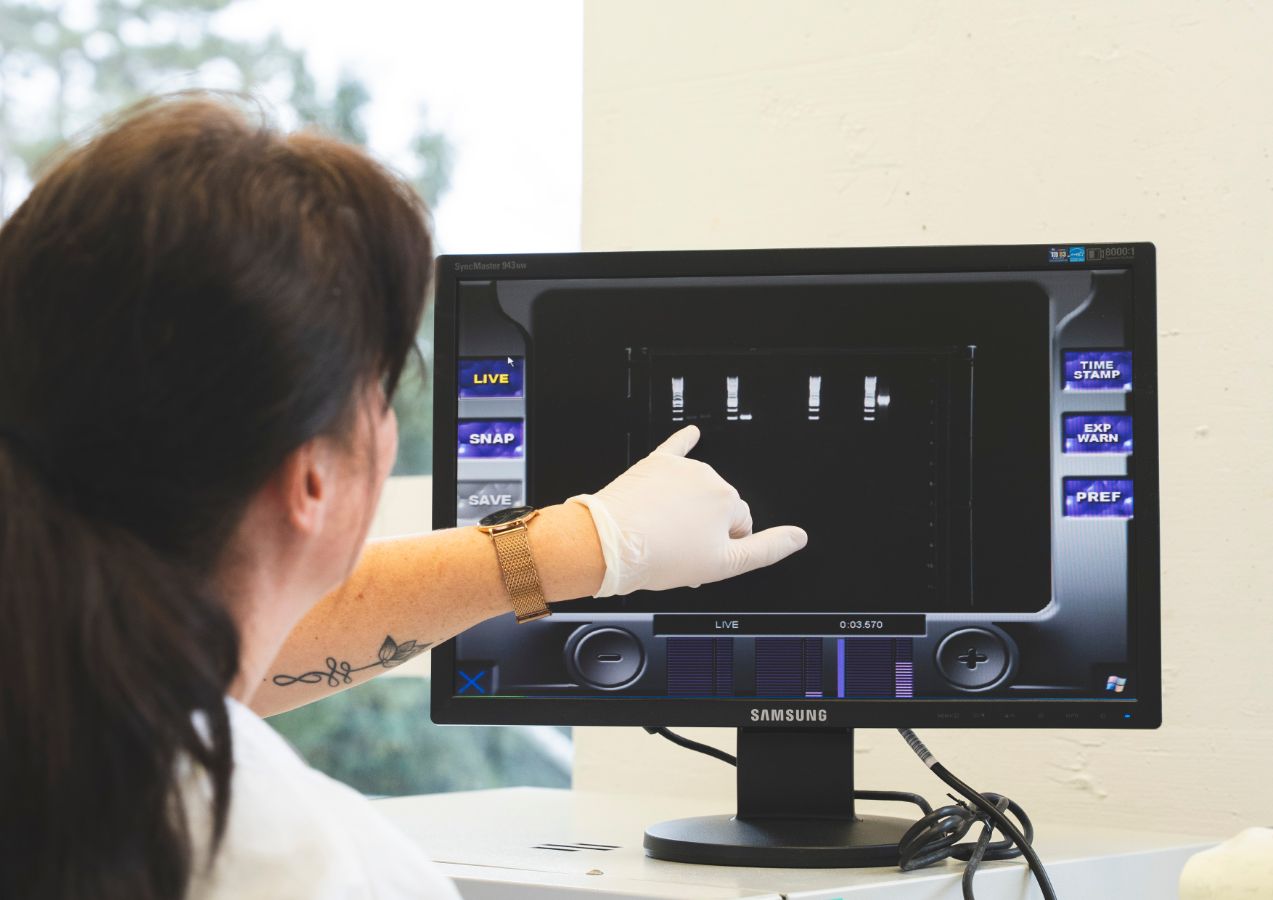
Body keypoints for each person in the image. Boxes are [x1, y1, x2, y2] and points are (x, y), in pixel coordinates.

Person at [0, 94, 808, 900]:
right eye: (381, 392)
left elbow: (196, 639)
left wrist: (583, 544)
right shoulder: (286, 860)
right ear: (312, 479)